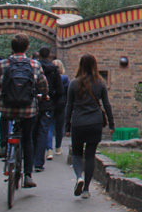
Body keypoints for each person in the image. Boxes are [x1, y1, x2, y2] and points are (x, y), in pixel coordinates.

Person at [0, 33, 49, 189]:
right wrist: (44, 96)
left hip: (8, 107)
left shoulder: (3, 64)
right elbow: (43, 85)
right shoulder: (34, 64)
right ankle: (28, 175)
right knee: (28, 139)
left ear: (11, 47)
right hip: (28, 108)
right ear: (27, 47)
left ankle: (3, 146)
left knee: (4, 117)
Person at [65, 54, 114, 199]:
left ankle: (79, 177)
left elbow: (69, 106)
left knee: (77, 153)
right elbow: (107, 105)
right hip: (95, 123)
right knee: (90, 155)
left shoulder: (74, 83)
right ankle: (86, 189)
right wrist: (111, 124)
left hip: (78, 122)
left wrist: (66, 126)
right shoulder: (100, 83)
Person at [33, 47, 63, 172]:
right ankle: (39, 162)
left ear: (39, 55)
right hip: (48, 103)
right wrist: (53, 101)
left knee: (33, 131)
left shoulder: (34, 67)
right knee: (43, 132)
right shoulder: (54, 70)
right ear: (50, 55)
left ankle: (30, 159)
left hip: (34, 103)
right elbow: (60, 90)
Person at [49, 59, 69, 157]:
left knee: (50, 127)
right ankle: (58, 148)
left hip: (51, 104)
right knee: (60, 127)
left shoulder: (49, 78)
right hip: (61, 105)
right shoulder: (66, 79)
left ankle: (49, 149)